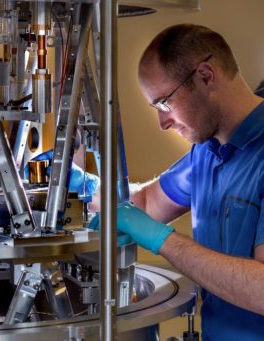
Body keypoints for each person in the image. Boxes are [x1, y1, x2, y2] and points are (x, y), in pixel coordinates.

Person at [89, 24, 264, 340]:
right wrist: (80, 186)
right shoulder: (207, 151)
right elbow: (145, 205)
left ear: (206, 76)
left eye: (164, 102)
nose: (162, 123)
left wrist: (163, 240)